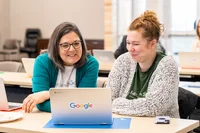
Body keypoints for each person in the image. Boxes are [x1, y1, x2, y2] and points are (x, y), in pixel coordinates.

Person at [107, 10, 179, 118]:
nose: (130, 49)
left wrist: (116, 103)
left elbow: (154, 107)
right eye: (128, 43)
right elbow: (106, 100)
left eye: (136, 44)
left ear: (152, 44)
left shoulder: (168, 65)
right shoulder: (122, 61)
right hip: (126, 124)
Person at [22, 22, 99, 113]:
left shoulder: (91, 64)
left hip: (78, 120)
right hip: (46, 119)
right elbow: (40, 103)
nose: (72, 49)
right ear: (55, 47)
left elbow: (83, 102)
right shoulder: (42, 62)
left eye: (76, 43)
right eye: (65, 45)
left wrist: (48, 94)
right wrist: (73, 105)